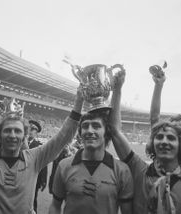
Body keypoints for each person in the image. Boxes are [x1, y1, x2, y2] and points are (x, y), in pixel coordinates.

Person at [0, 87, 84, 213]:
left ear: (24, 136)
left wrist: (78, 104)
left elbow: (62, 137)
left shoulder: (34, 158)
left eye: (17, 131)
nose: (12, 135)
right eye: (7, 131)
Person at [49, 68, 133, 214]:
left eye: (96, 126)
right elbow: (55, 205)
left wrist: (117, 90)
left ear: (106, 131)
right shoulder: (64, 166)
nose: (89, 131)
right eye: (85, 126)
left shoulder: (122, 170)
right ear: (80, 133)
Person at [110, 69, 181, 214]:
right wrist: (117, 90)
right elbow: (114, 130)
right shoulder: (139, 170)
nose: (164, 141)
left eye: (171, 138)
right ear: (152, 144)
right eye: (159, 137)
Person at [28, 120, 48, 213]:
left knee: (32, 199)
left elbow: (44, 163)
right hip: (20, 175)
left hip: (34, 178)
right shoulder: (20, 142)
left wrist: (43, 180)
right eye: (30, 128)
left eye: (34, 129)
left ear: (36, 133)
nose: (31, 131)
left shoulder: (39, 146)